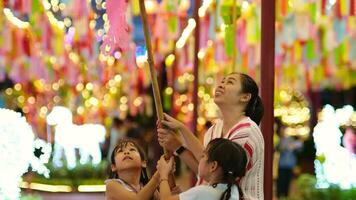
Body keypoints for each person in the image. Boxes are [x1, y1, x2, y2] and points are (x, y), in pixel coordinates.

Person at [158, 72, 265, 200]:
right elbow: (204, 168)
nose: (221, 85)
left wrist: (182, 129)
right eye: (222, 81)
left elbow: (217, 169)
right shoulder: (214, 129)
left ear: (245, 97)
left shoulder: (246, 132)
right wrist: (178, 147)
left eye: (230, 82)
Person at [157, 138, 247, 200]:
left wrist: (163, 173)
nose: (200, 159)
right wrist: (185, 196)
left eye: (203, 156)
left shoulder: (204, 192)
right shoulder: (232, 189)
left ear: (213, 166)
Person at [276, 131, 302, 198]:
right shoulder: (282, 141)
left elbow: (300, 151)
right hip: (282, 165)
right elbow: (278, 148)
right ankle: (279, 195)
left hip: (290, 165)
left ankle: (286, 195)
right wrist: (286, 147)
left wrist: (295, 148)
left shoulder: (296, 143)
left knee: (288, 181)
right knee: (281, 181)